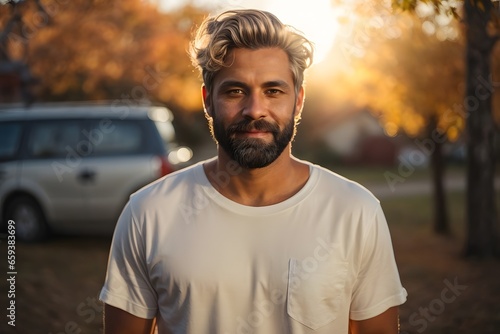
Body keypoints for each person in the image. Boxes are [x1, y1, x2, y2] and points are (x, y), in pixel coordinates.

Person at [99, 8, 407, 334]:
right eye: (235, 91)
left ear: (298, 101)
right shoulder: (148, 213)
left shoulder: (355, 211)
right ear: (208, 100)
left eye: (273, 91)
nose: (255, 110)